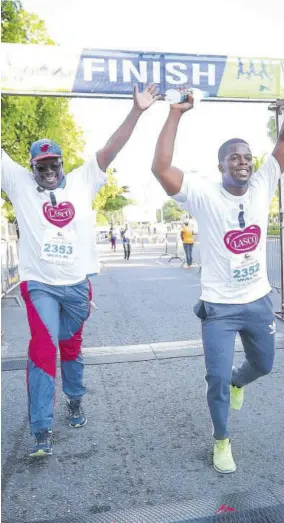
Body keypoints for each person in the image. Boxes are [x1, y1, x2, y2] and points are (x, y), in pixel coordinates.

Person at [1, 83, 159, 458]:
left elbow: (111, 148)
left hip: (76, 287)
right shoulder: (17, 183)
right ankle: (41, 429)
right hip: (39, 285)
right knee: (42, 347)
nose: (49, 170)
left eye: (54, 163)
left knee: (70, 346)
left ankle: (74, 399)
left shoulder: (85, 178)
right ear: (32, 167)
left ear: (61, 161)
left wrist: (137, 111)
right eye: (41, 166)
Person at [152, 94, 284, 473]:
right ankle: (222, 440)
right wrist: (175, 113)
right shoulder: (203, 193)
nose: (243, 163)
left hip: (258, 302)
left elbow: (282, 146)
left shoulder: (263, 183)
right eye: (234, 158)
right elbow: (160, 168)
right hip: (219, 309)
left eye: (247, 157)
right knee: (216, 379)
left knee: (264, 365)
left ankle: (239, 383)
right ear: (221, 165)